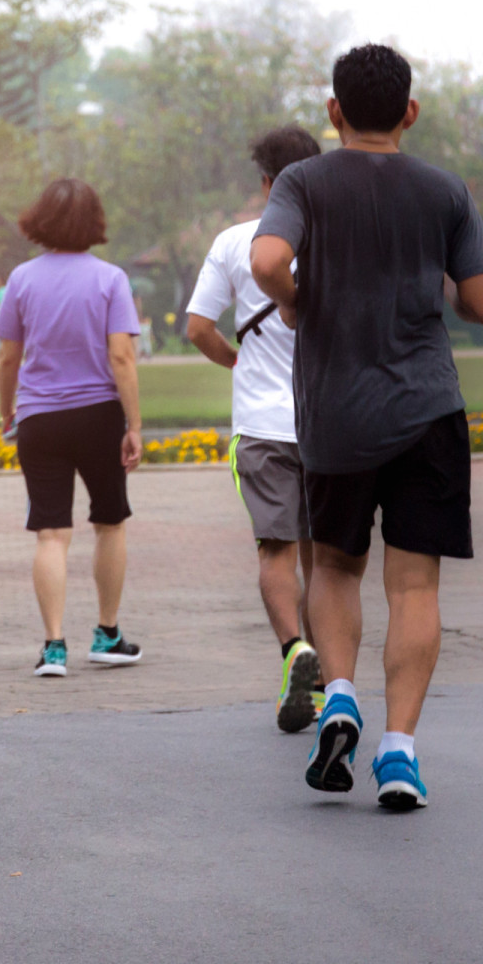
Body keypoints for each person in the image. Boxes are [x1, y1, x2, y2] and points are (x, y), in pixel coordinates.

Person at [251, 44, 483, 811]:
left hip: (336, 415)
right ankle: (400, 755)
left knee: (337, 568)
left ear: (333, 111)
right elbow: (476, 300)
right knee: (415, 585)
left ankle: (340, 696)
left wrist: (294, 298)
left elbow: (266, 259)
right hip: (427, 410)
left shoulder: (303, 181)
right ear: (409, 112)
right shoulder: (444, 189)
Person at [184, 125, 324, 733]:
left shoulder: (237, 241)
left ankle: (294, 650)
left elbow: (197, 326)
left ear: (266, 180)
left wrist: (232, 359)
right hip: (329, 422)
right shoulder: (332, 239)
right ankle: (328, 690)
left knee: (276, 550)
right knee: (330, 562)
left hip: (262, 427)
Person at [0, 179, 145, 678]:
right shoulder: (110, 279)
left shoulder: (20, 279)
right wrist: (135, 425)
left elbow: (8, 358)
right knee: (109, 521)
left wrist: (7, 413)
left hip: (39, 418)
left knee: (51, 533)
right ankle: (107, 634)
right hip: (99, 415)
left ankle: (53, 646)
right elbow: (121, 356)